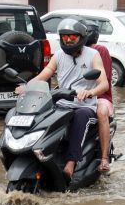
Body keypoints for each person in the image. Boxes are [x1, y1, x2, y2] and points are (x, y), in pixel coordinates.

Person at [16, 17, 109, 179]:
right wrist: (27, 88)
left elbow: (104, 84)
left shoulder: (93, 55)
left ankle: (71, 162)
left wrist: (90, 93)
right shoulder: (58, 56)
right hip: (61, 104)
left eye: (72, 37)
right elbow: (43, 75)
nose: (68, 40)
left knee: (80, 117)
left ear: (81, 37)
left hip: (84, 106)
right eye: (64, 37)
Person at [82, 19, 114, 172]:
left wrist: (90, 92)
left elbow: (104, 79)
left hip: (101, 96)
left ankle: (104, 158)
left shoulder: (100, 50)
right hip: (79, 95)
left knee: (101, 112)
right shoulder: (74, 50)